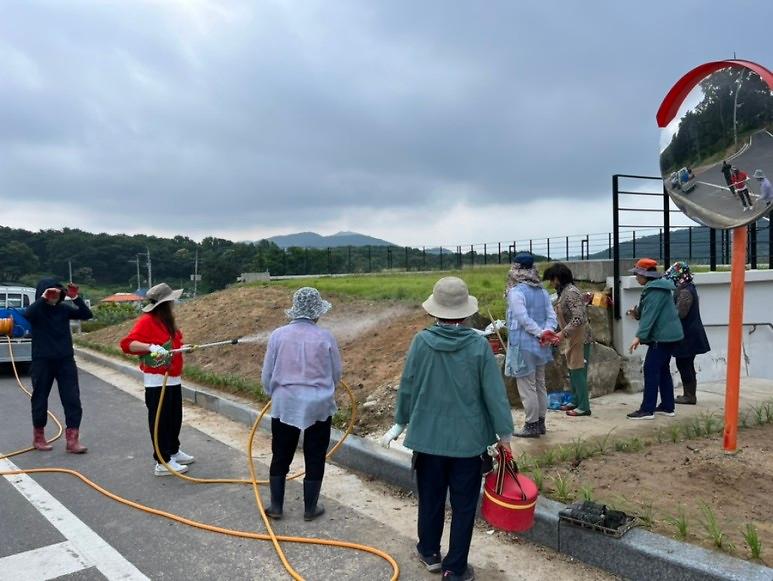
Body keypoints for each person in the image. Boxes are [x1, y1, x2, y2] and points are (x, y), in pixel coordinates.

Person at [380, 276, 513, 581]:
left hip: (427, 441)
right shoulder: (479, 346)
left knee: (431, 498)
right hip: (468, 444)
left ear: (435, 311)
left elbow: (408, 387)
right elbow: (494, 395)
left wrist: (399, 423)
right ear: (467, 313)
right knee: (464, 506)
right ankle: (455, 567)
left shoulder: (421, 342)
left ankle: (429, 551)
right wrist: (504, 436)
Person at [261, 287, 341, 522]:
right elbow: (336, 373)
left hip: (285, 404)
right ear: (317, 312)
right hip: (318, 405)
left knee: (281, 454)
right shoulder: (325, 337)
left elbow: (267, 373)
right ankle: (310, 508)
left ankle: (276, 506)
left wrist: (272, 393)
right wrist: (326, 391)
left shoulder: (277, 335)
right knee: (315, 454)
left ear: (294, 311)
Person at [120, 283, 195, 476]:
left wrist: (184, 347)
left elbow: (174, 343)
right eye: (171, 301)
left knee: (174, 417)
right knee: (160, 419)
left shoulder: (167, 321)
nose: (174, 304)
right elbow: (128, 344)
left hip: (173, 378)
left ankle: (173, 451)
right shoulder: (147, 321)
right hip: (156, 380)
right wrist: (151, 347)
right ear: (164, 303)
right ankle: (162, 461)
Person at [25, 278, 93, 453]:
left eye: (57, 292)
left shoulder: (63, 309)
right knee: (40, 398)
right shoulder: (37, 310)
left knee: (72, 399)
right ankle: (38, 437)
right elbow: (28, 314)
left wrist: (75, 297)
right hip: (42, 361)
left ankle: (72, 440)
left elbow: (86, 314)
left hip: (65, 361)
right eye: (51, 292)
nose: (55, 295)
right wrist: (43, 298)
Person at [505, 252, 557, 437]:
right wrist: (547, 332)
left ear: (516, 268)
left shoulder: (516, 292)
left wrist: (540, 333)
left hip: (523, 344)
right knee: (539, 384)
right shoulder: (542, 291)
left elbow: (522, 319)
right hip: (542, 345)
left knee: (527, 386)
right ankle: (541, 423)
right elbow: (552, 316)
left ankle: (532, 424)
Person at [627, 259, 684, 420]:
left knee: (651, 369)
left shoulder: (654, 291)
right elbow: (650, 311)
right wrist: (637, 312)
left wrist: (638, 337)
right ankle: (667, 406)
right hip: (670, 336)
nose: (636, 277)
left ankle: (647, 409)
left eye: (638, 274)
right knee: (663, 369)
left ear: (646, 275)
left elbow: (650, 316)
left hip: (662, 337)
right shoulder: (660, 287)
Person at [543, 263, 592, 417]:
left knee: (578, 372)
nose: (550, 283)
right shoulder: (564, 292)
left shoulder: (570, 293)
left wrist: (561, 334)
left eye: (552, 279)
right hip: (572, 336)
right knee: (573, 371)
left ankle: (584, 407)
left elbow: (578, 318)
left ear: (558, 278)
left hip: (580, 337)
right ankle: (577, 400)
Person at [664, 262, 710, 405]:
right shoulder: (688, 288)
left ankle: (690, 396)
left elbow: (680, 313)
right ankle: (689, 394)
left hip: (688, 335)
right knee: (685, 363)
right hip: (690, 333)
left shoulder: (685, 291)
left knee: (684, 363)